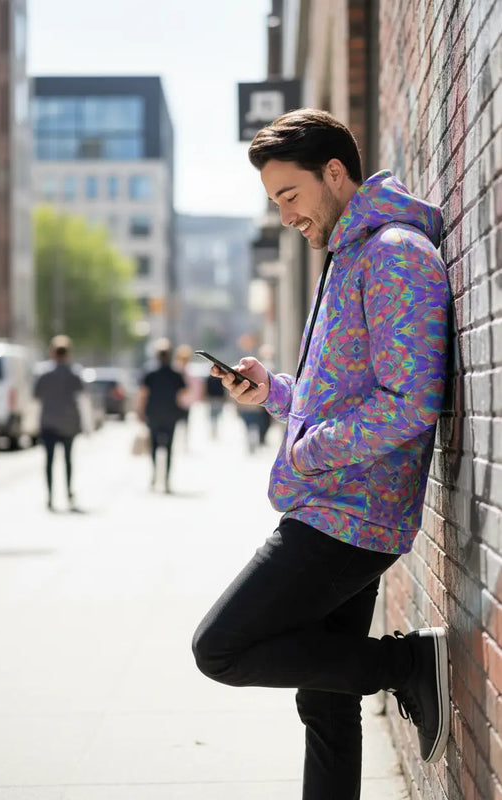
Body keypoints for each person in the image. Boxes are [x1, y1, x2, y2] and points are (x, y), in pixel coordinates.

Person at [192, 108, 451, 799]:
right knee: (324, 701)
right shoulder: (349, 254)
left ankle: (404, 665)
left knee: (221, 648)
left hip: (348, 514)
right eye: (274, 201)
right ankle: (395, 670)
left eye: (290, 195)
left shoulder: (393, 254)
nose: (285, 216)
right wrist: (275, 392)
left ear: (334, 173)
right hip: (338, 502)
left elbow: (409, 402)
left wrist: (308, 453)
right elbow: (346, 388)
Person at [34, 335, 84, 511]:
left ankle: (50, 497)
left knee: (49, 462)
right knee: (68, 460)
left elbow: (36, 396)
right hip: (69, 424)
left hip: (48, 423)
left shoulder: (44, 375)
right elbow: (82, 399)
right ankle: (68, 493)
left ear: (52, 353)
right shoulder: (74, 374)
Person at [136, 338, 186, 493]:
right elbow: (182, 393)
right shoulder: (175, 373)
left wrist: (139, 412)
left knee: (154, 447)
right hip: (171, 414)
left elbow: (143, 394)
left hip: (154, 413)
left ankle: (154, 476)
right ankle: (166, 480)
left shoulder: (150, 372)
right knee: (169, 448)